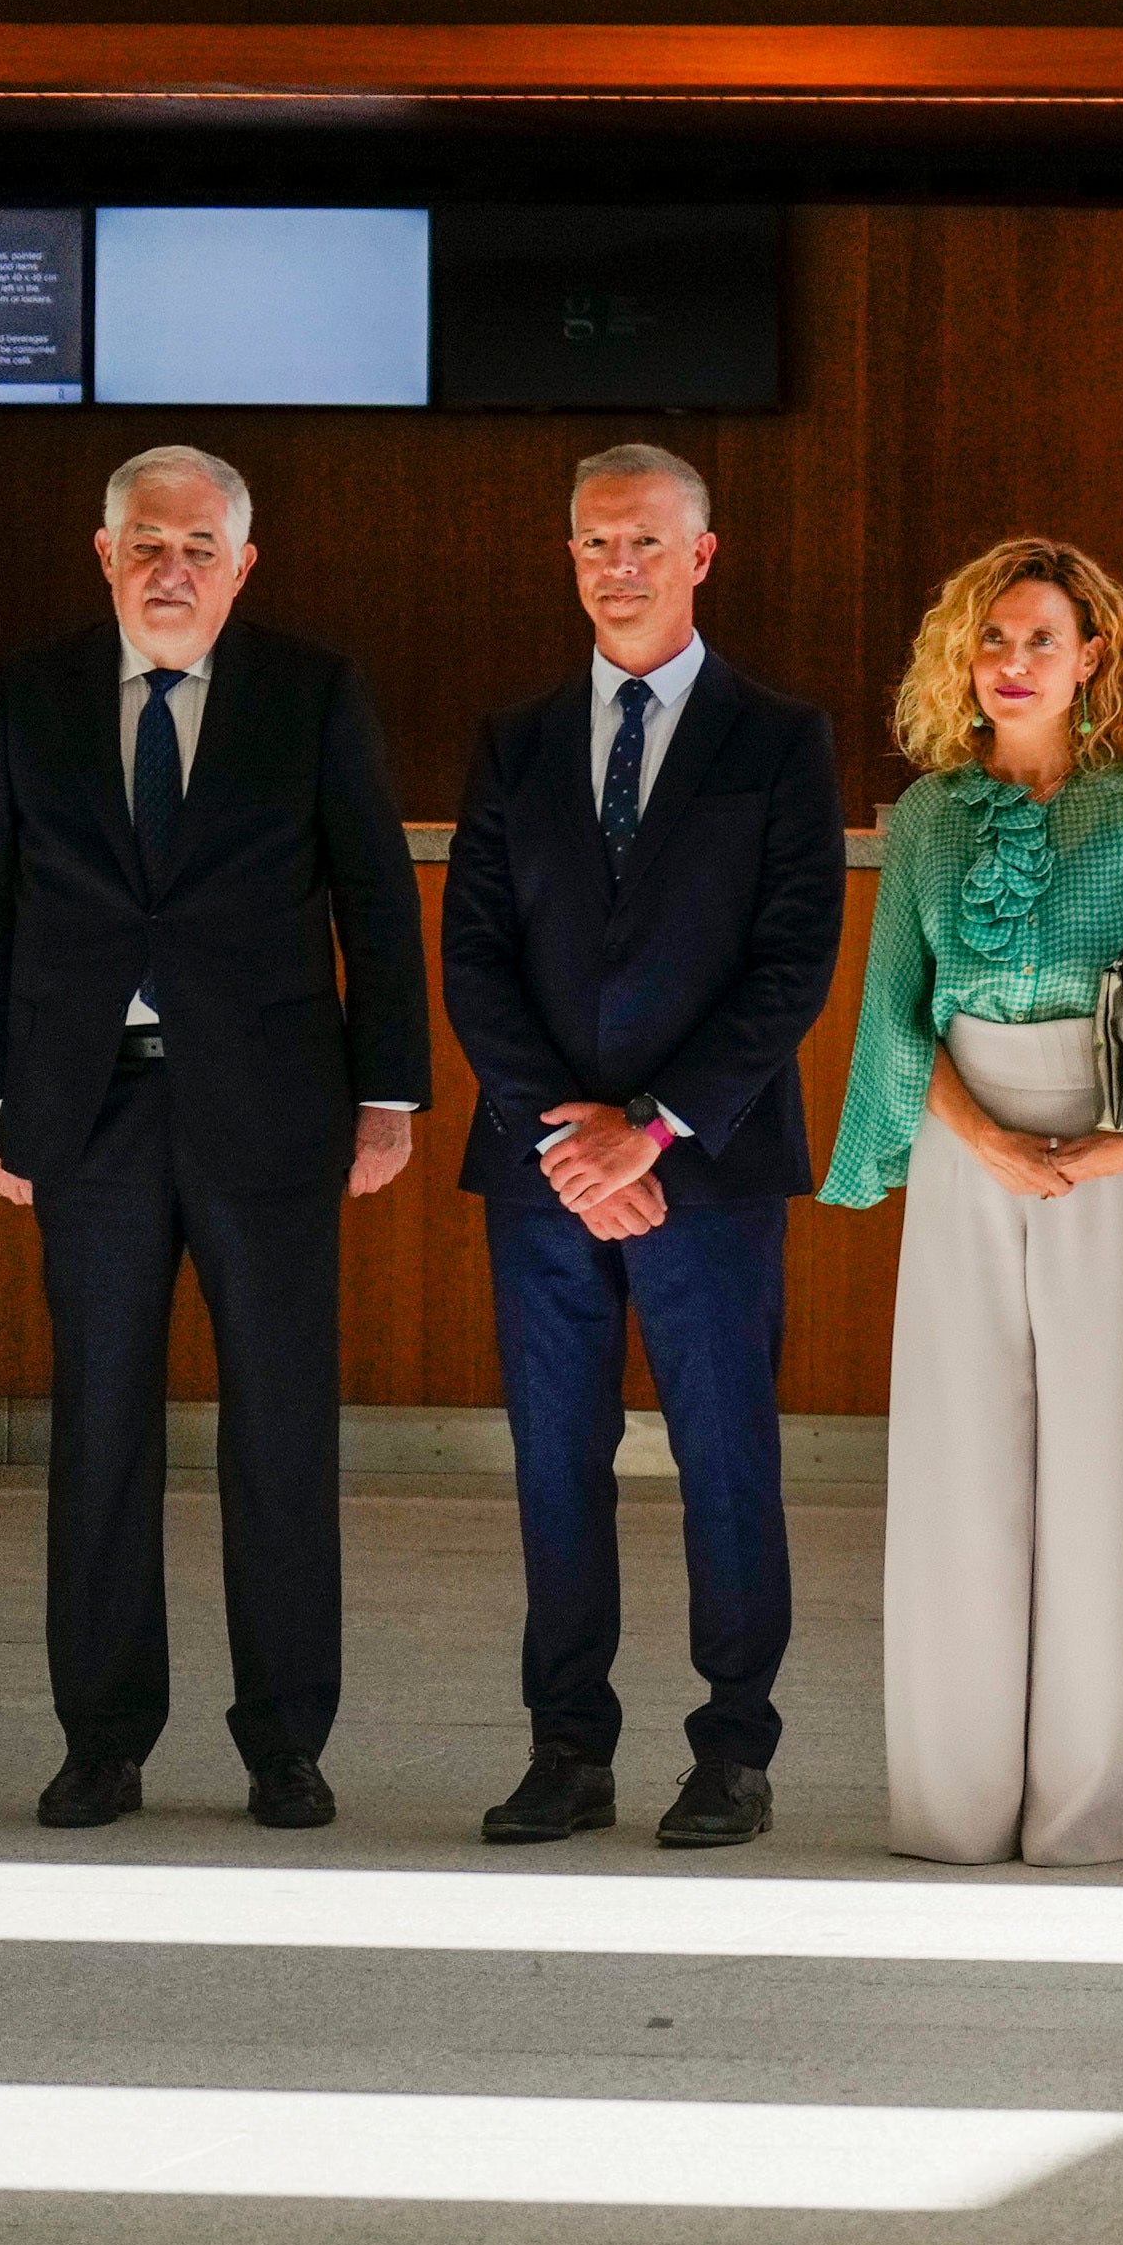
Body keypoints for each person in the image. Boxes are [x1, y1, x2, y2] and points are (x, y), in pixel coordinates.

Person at [0, 447, 425, 1832]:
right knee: (98, 1428)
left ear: (242, 564)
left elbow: (375, 901)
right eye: (145, 543)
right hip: (82, 1113)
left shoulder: (314, 691)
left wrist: (386, 1093)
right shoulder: (24, 693)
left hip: (273, 1111)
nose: (171, 569)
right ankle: (103, 1738)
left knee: (280, 1430)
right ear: (103, 555)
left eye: (198, 547)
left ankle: (286, 1743)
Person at [820, 537, 1123, 1865]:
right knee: (957, 1470)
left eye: (1041, 641)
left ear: (1093, 662)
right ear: (963, 659)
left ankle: (1090, 1807)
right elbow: (896, 1021)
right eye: (994, 638)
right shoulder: (922, 818)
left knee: (1100, 1471)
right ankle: (953, 1808)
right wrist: (979, 1142)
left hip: (1115, 1156)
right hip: (969, 1155)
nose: (1014, 662)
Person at [441, 445, 847, 1852]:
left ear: (701, 556)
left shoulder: (778, 736)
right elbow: (475, 957)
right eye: (595, 543)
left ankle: (733, 1747)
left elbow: (794, 960)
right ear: (571, 558)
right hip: (544, 1172)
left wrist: (653, 1129)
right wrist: (573, 1138)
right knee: (557, 1459)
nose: (619, 565)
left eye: (646, 542)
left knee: (725, 1454)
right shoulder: (515, 738)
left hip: (709, 1168)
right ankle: (567, 1748)